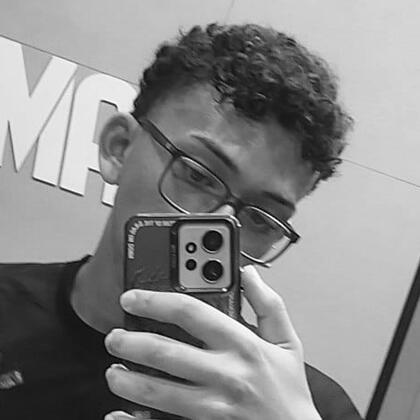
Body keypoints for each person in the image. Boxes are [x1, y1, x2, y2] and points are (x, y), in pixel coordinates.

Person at [0, 23, 362, 420]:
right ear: (119, 148)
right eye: (197, 174)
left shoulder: (313, 407)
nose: (219, 227)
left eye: (262, 219)